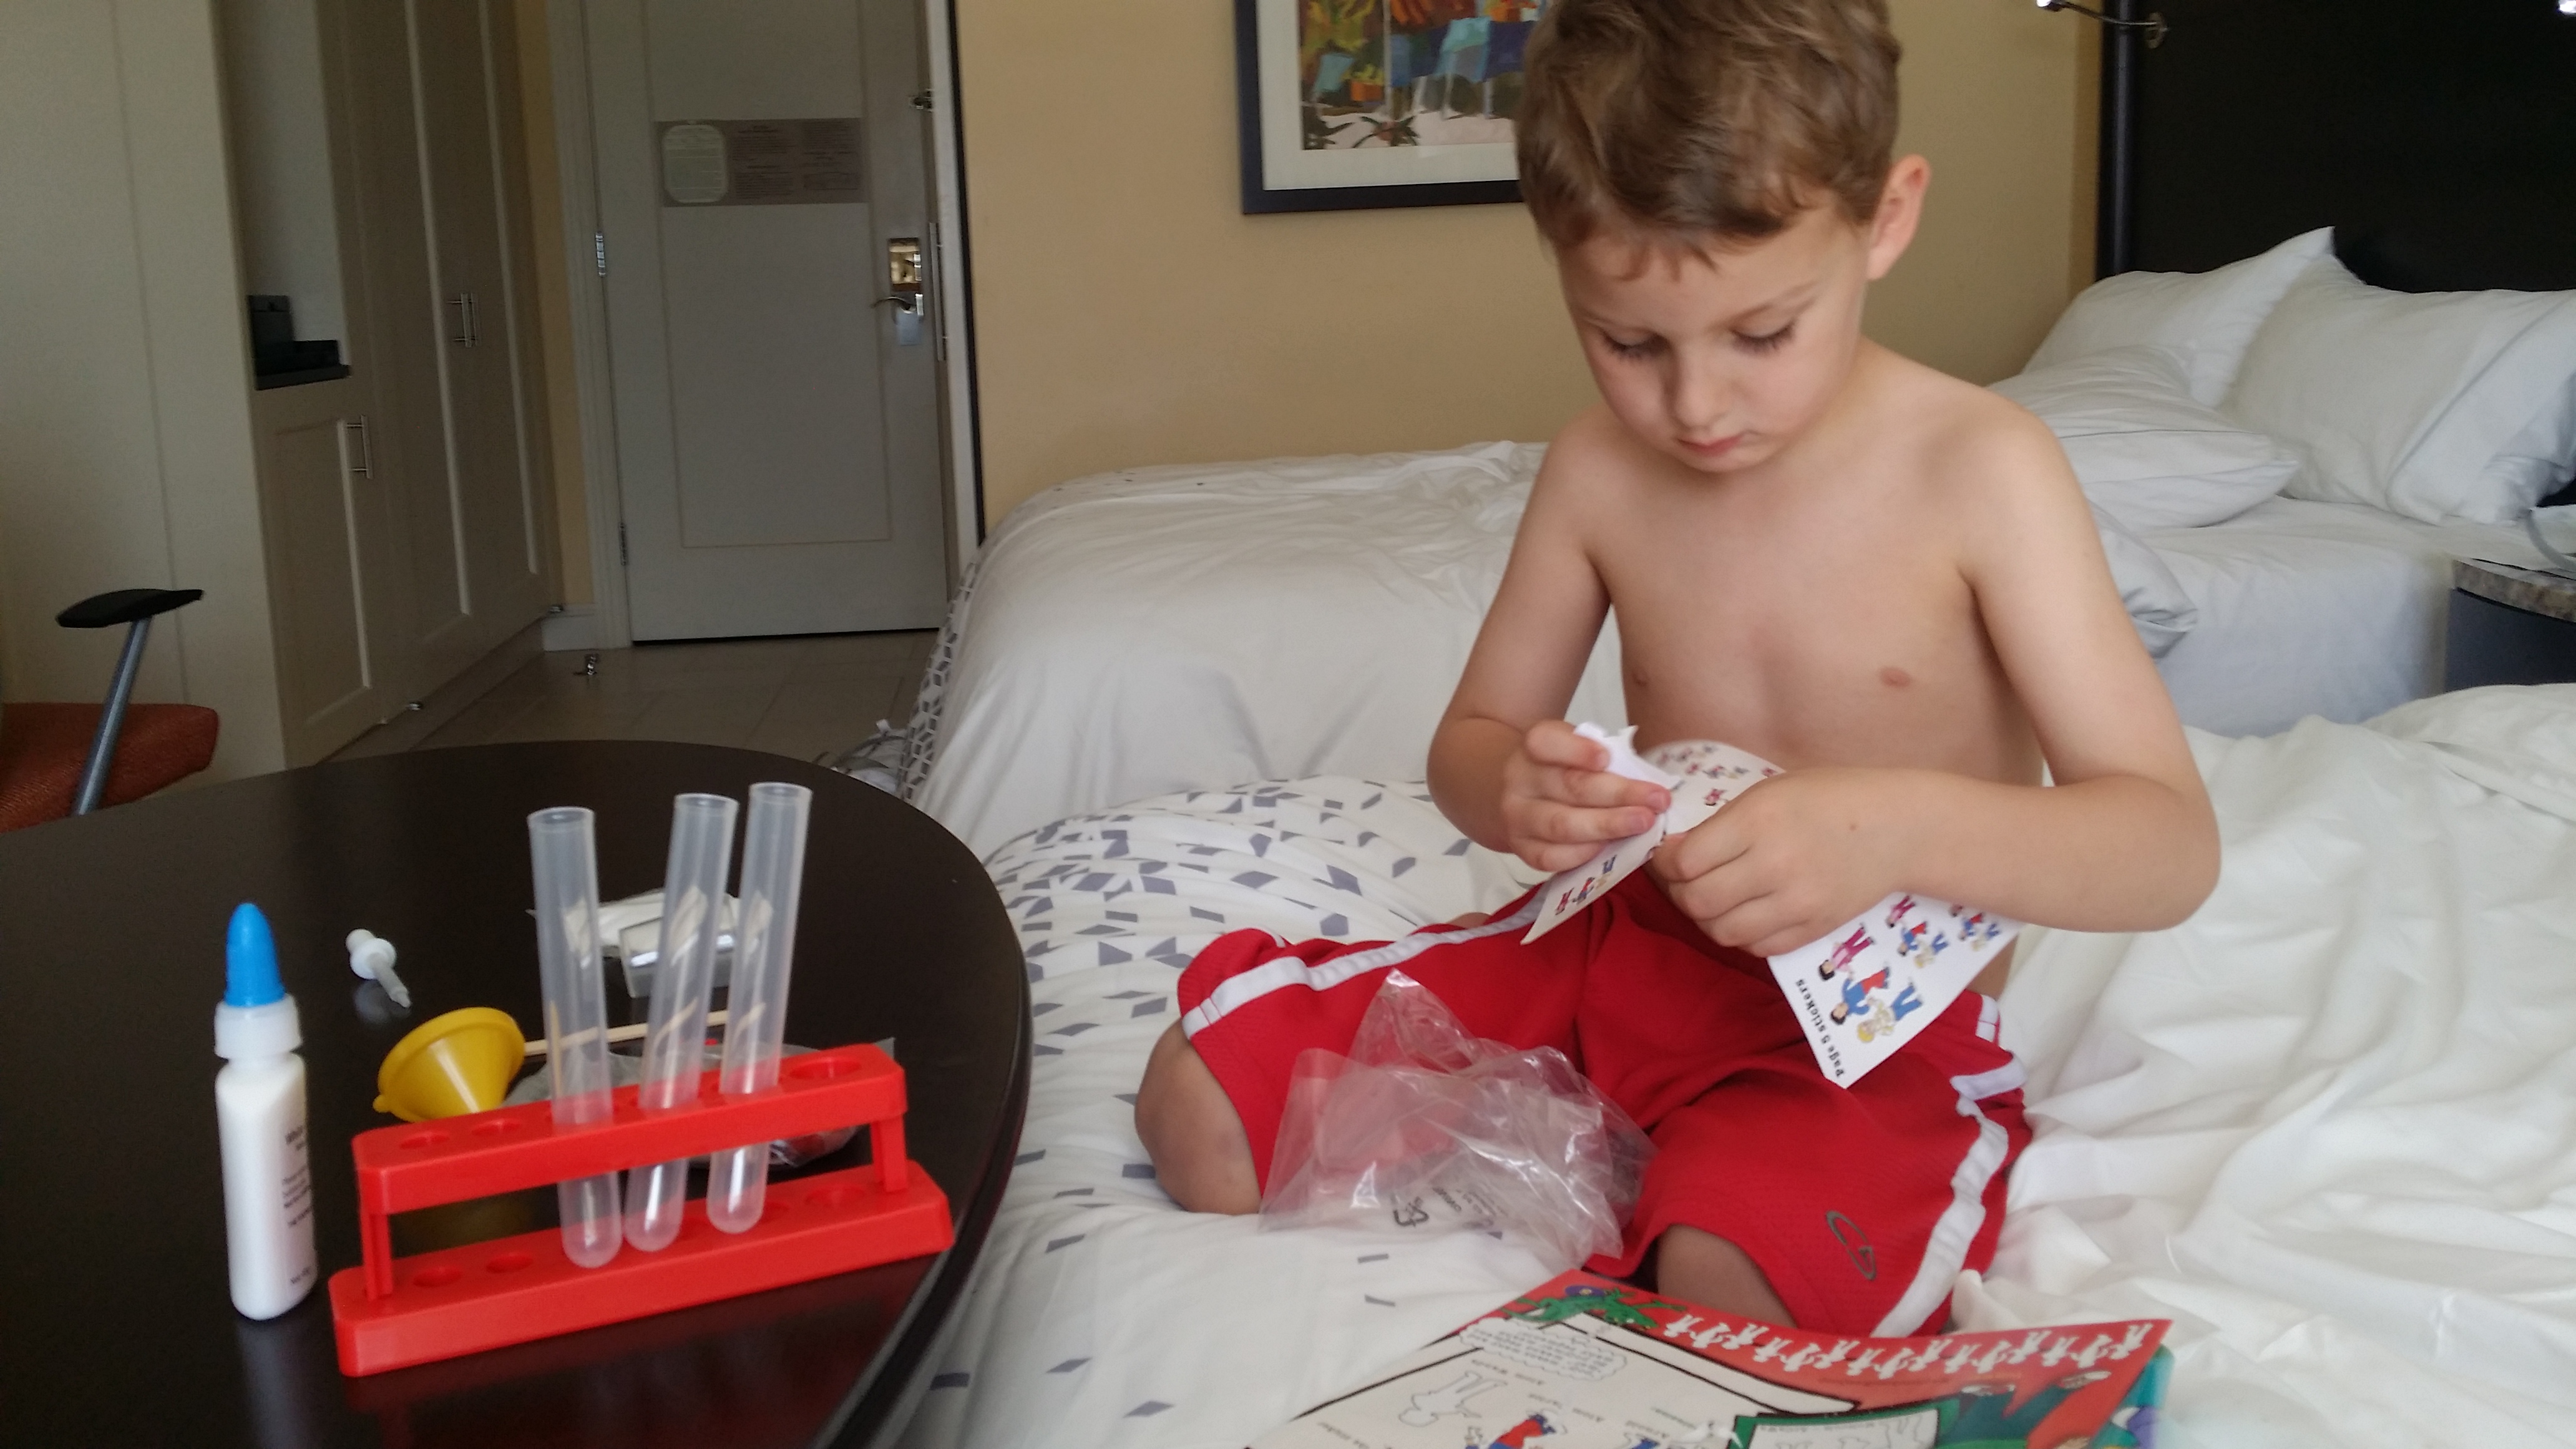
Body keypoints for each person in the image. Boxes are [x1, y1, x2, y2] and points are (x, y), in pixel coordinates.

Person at [1134, 0, 2218, 1335]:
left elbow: (2167, 845)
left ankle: (1663, 1176)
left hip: (1859, 1033)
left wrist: (1890, 827)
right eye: (1630, 343)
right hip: (1619, 953)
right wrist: (1514, 790)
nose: (1696, 408)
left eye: (1762, 335)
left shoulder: (1984, 473)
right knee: (1199, 1112)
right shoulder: (1597, 470)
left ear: (1885, 219)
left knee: (1726, 1294)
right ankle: (1615, 1147)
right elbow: (1474, 740)